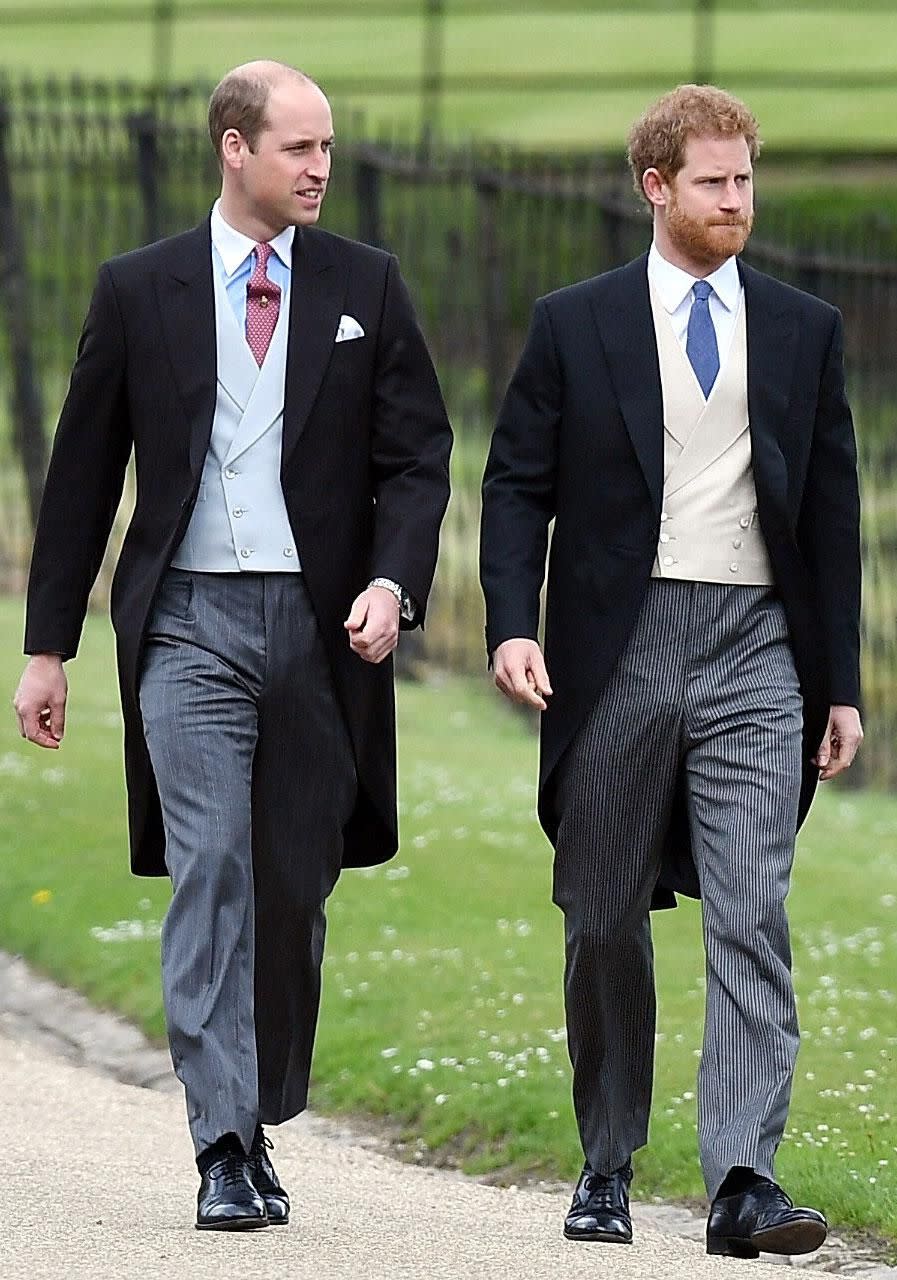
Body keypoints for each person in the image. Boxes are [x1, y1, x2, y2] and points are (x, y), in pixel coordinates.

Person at [14, 60, 452, 1231]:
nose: (321, 168)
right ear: (233, 149)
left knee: (291, 887)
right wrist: (46, 646)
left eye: (326, 149)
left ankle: (257, 1109)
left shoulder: (368, 284)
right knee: (210, 868)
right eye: (299, 148)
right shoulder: (139, 287)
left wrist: (391, 581)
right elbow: (82, 476)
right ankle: (218, 1139)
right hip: (188, 623)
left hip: (320, 632)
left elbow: (420, 457)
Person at [479, 84, 861, 1259]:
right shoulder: (575, 321)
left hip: (756, 646)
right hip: (618, 645)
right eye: (714, 181)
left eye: (746, 179)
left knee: (753, 908)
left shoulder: (802, 328)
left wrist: (838, 680)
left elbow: (835, 512)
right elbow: (513, 484)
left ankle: (746, 1173)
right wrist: (510, 623)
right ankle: (606, 1160)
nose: (737, 199)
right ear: (658, 187)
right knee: (603, 916)